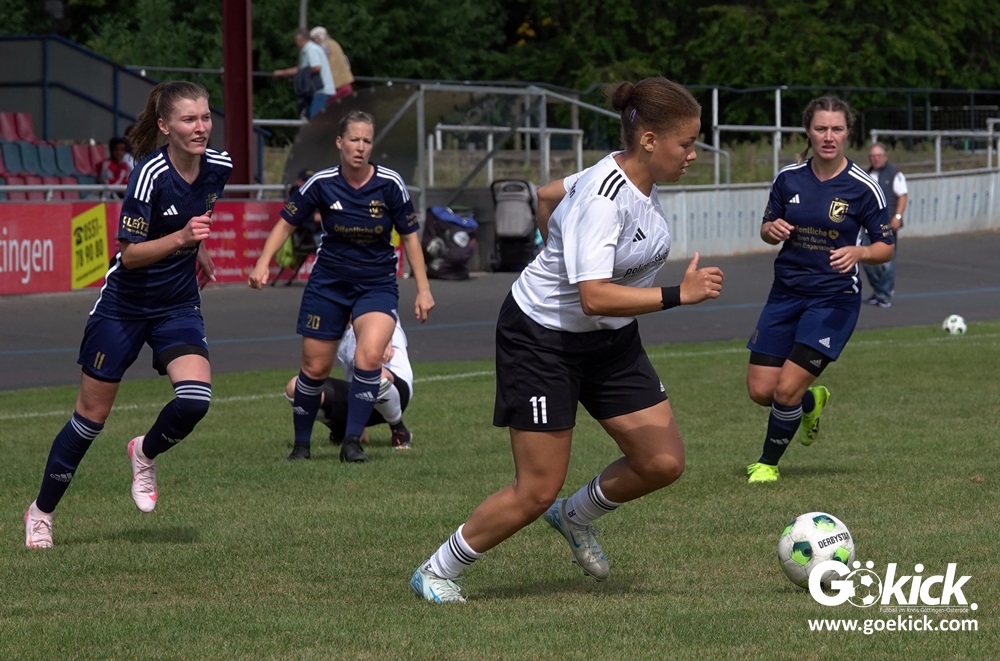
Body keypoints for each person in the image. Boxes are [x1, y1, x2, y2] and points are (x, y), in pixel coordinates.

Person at [409, 77, 725, 603]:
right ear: (649, 140)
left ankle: (574, 516)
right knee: (536, 489)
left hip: (610, 340)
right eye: (686, 143)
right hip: (542, 340)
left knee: (662, 461)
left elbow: (548, 195)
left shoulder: (635, 180)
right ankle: (437, 570)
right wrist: (679, 294)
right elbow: (593, 297)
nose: (693, 154)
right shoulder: (605, 199)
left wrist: (552, 244)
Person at [23, 81, 232, 548]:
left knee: (195, 401)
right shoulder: (148, 175)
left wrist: (197, 250)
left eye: (205, 117)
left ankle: (144, 452)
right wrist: (183, 239)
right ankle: (41, 512)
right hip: (124, 307)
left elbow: (196, 214)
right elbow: (131, 254)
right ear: (165, 126)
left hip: (177, 304)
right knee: (89, 420)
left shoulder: (220, 165)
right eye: (188, 119)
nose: (201, 127)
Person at [248, 110, 434, 463]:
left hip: (376, 285)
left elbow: (411, 238)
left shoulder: (390, 183)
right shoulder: (321, 182)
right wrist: (262, 263)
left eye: (367, 141)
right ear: (340, 142)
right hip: (328, 285)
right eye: (354, 140)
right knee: (314, 368)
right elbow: (286, 223)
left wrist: (423, 289)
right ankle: (301, 447)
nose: (360, 147)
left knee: (369, 356)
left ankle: (351, 443)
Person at [744, 96, 895, 484]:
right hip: (785, 294)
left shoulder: (864, 187)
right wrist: (771, 230)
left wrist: (860, 251)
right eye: (821, 128)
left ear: (848, 133)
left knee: (785, 390)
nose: (829, 137)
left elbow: (886, 246)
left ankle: (768, 463)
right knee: (761, 390)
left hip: (833, 300)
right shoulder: (788, 178)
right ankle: (812, 400)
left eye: (837, 129)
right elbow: (766, 228)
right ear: (808, 132)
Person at [283, 317, 414, 451]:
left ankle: (398, 428)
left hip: (396, 392)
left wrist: (386, 339)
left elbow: (387, 317)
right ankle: (339, 426)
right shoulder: (347, 336)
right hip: (363, 402)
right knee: (297, 388)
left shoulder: (380, 317)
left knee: (375, 376)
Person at [862, 142, 907, 308]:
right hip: (867, 225)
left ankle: (885, 294)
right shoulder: (866, 174)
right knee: (867, 260)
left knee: (886, 263)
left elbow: (902, 196)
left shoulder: (894, 174)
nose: (875, 159)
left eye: (878, 156)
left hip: (886, 225)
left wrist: (897, 217)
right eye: (872, 156)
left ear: (885, 157)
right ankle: (878, 291)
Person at [273, 27, 336, 119]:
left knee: (315, 118)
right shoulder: (309, 50)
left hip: (320, 90)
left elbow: (316, 67)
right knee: (310, 116)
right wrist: (283, 72)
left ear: (299, 39)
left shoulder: (311, 50)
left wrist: (302, 74)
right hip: (318, 90)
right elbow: (301, 69)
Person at [310, 26, 354, 100]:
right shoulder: (334, 43)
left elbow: (317, 65)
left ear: (318, 38)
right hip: (346, 84)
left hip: (334, 88)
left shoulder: (323, 47)